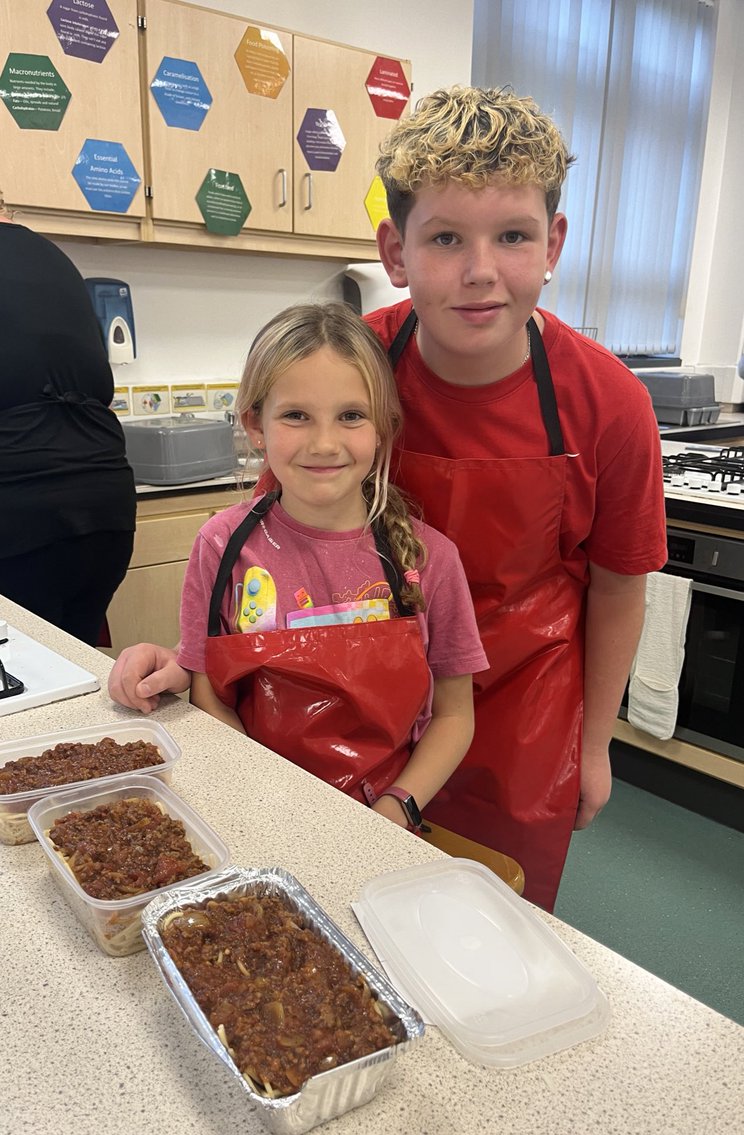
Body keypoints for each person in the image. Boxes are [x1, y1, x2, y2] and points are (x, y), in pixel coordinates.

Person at [108, 87, 667, 908]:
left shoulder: (611, 405)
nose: (480, 270)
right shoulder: (352, 363)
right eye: (445, 238)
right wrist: (187, 659)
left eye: (512, 236)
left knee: (486, 923)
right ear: (396, 253)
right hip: (354, 711)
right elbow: (269, 543)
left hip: (522, 719)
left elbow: (619, 586)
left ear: (552, 243)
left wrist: (593, 745)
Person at [173, 302, 487, 829]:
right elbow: (207, 691)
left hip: (382, 816)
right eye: (296, 415)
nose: (324, 443)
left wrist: (396, 808)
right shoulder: (221, 544)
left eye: (351, 415)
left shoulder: (429, 560)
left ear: (383, 428)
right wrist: (261, 795)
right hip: (255, 804)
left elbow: (455, 715)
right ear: (255, 425)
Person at [0, 197, 136, 645]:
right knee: (74, 660)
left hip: (19, 514)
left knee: (26, 679)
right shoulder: (51, 256)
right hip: (106, 509)